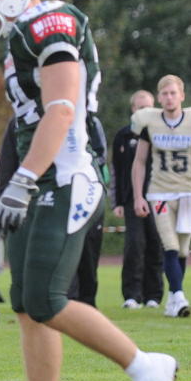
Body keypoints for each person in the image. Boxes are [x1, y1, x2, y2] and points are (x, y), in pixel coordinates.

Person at [0, 0, 177, 381]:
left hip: (66, 173)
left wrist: (25, 179)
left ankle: (147, 367)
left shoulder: (50, 21)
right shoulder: (22, 34)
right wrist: (9, 182)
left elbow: (61, 109)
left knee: (46, 297)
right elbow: (27, 121)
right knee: (23, 299)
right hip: (39, 174)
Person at [131, 75, 191, 317]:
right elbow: (139, 162)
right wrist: (138, 196)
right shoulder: (149, 123)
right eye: (165, 93)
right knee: (169, 245)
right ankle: (179, 296)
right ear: (158, 97)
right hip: (159, 192)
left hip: (187, 192)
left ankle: (172, 297)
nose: (169, 98)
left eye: (173, 93)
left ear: (182, 96)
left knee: (182, 250)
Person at [112, 91, 164, 309]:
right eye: (141, 107)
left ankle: (154, 295)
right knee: (134, 245)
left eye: (149, 107)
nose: (145, 111)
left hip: (158, 198)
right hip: (131, 199)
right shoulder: (123, 136)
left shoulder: (161, 133)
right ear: (133, 110)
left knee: (156, 245)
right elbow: (116, 171)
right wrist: (117, 202)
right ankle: (132, 295)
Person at [66, 113, 107, 307]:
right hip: (63, 194)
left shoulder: (91, 121)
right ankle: (69, 300)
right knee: (65, 251)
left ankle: (88, 301)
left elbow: (101, 155)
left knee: (89, 251)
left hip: (89, 192)